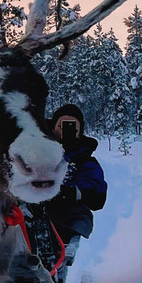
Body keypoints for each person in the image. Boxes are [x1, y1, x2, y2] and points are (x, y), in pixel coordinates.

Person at [45, 103, 108, 248]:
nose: (66, 130)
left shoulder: (84, 160)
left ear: (80, 131)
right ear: (53, 127)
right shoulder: (36, 151)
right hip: (32, 211)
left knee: (79, 216)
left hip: (65, 215)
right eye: (62, 125)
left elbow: (97, 195)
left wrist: (69, 192)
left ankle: (64, 249)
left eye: (72, 126)